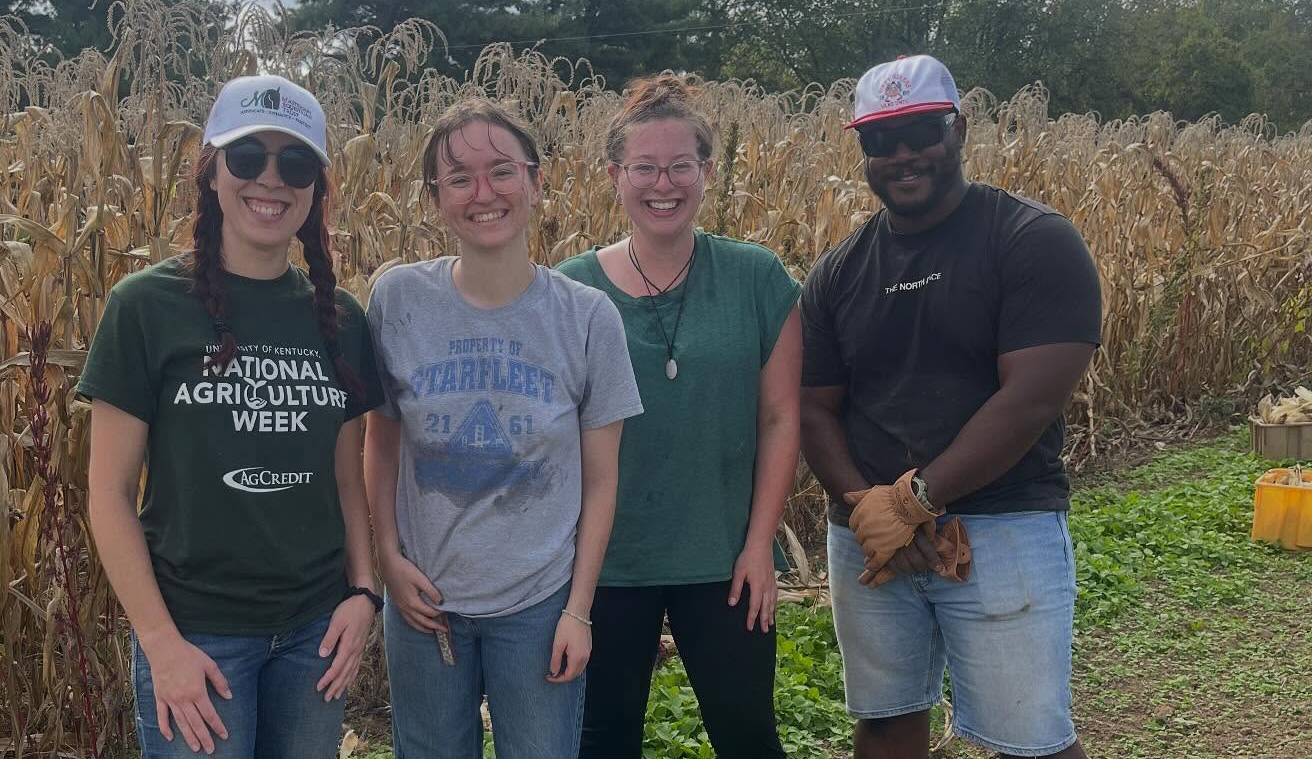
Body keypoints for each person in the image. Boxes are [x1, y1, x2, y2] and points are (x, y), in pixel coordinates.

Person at [799, 54, 1102, 759]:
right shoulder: (838, 270)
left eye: (921, 130)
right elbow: (815, 408)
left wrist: (916, 501)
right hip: (872, 538)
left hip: (1003, 525)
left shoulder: (1031, 240)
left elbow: (1029, 399)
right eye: (881, 139)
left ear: (959, 128)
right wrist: (868, 506)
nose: (903, 154)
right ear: (863, 151)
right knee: (885, 723)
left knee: (1031, 739)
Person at [81, 74, 385, 759]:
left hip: (314, 636)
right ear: (212, 171)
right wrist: (161, 646)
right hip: (197, 637)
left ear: (315, 187)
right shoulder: (145, 308)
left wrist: (365, 593)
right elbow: (107, 495)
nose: (270, 181)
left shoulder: (341, 319)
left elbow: (348, 479)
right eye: (248, 158)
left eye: (295, 163)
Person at [363, 98, 642, 759]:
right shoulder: (397, 300)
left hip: (539, 605)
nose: (483, 193)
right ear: (435, 198)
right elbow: (380, 443)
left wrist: (577, 610)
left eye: (501, 172)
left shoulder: (586, 317)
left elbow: (602, 483)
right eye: (459, 178)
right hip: (424, 604)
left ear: (537, 182)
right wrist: (389, 560)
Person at [557, 75, 802, 758]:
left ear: (707, 171)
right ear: (615, 176)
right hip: (605, 565)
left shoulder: (758, 278)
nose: (662, 183)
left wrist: (760, 544)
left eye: (679, 166)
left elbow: (782, 419)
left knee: (748, 736)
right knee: (602, 742)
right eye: (643, 167)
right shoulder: (571, 288)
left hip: (724, 558)